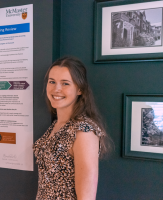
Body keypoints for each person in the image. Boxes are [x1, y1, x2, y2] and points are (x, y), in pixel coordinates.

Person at [33, 56, 110, 200]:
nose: (56, 89)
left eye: (65, 83)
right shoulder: (57, 125)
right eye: (52, 82)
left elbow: (86, 197)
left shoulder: (83, 131)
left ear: (79, 89)